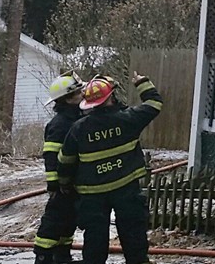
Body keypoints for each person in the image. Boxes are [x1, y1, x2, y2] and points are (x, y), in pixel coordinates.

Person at [57, 72, 162, 264]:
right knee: (134, 237)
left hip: (92, 194)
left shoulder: (79, 129)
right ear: (112, 96)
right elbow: (154, 104)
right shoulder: (129, 119)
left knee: (95, 242)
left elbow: (65, 161)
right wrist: (143, 83)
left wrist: (64, 185)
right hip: (126, 189)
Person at [33, 71, 83, 264]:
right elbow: (51, 156)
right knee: (53, 221)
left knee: (68, 221)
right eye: (78, 93)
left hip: (73, 182)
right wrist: (54, 185)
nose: (82, 95)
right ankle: (43, 257)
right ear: (69, 99)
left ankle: (62, 256)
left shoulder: (75, 118)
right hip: (62, 185)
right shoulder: (60, 124)